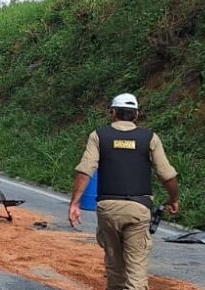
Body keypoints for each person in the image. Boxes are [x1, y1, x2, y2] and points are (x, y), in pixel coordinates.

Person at [69, 93, 180, 290]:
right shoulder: (149, 138)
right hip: (138, 209)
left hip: (108, 209)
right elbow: (167, 175)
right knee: (136, 268)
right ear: (136, 114)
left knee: (115, 265)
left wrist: (75, 203)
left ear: (113, 113)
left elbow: (85, 170)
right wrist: (174, 199)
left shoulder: (99, 136)